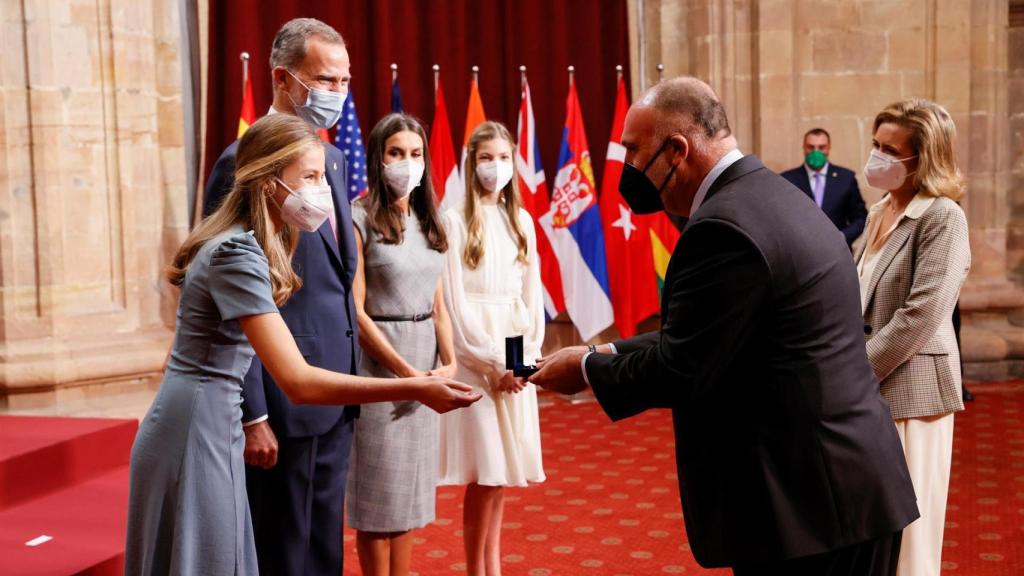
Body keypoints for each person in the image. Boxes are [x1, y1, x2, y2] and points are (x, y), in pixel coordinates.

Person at [530, 77, 919, 575]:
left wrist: (584, 371)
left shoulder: (722, 226)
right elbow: (722, 330)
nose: (625, 168)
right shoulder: (774, 193)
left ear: (676, 150)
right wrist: (609, 353)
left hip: (808, 505)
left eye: (632, 151)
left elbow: (683, 367)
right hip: (845, 485)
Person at [125, 114, 479, 575]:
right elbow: (298, 381)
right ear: (269, 180)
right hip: (198, 422)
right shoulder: (237, 254)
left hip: (209, 413)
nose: (322, 190)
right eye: (308, 177)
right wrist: (412, 388)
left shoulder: (245, 242)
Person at [202, 18, 360, 576]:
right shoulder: (241, 160)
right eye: (325, 79)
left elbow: (338, 279)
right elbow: (231, 299)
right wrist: (254, 414)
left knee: (324, 549)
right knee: (283, 550)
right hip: (283, 400)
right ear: (284, 79)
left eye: (344, 81)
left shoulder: (331, 158)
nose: (337, 93)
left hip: (335, 392)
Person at [856, 99, 971, 576]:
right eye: (875, 145)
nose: (877, 157)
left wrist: (853, 370)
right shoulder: (880, 209)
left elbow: (921, 314)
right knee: (874, 526)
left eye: (890, 150)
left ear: (923, 158)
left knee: (911, 535)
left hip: (915, 392)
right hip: (869, 390)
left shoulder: (943, 217)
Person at [345, 113, 456, 576]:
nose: (406, 163)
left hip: (425, 361)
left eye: (415, 154)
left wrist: (448, 364)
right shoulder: (357, 217)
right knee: (378, 500)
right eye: (396, 153)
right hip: (380, 367)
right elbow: (356, 310)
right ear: (378, 157)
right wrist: (405, 376)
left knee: (409, 493)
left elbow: (438, 305)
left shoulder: (432, 218)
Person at [438, 121, 546, 576]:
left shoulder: (520, 221)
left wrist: (521, 366)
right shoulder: (453, 220)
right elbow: (455, 306)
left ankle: (492, 566)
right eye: (486, 158)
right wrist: (490, 364)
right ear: (471, 161)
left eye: (504, 158)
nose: (495, 167)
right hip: (475, 360)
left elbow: (529, 299)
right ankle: (475, 569)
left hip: (513, 352)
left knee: (502, 474)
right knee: (484, 471)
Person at [781, 128, 867, 246]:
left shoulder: (846, 178)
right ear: (804, 148)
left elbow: (861, 218)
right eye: (811, 147)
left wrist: (843, 236)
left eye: (821, 147)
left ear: (828, 148)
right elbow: (781, 220)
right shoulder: (787, 179)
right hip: (800, 252)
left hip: (838, 251)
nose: (816, 152)